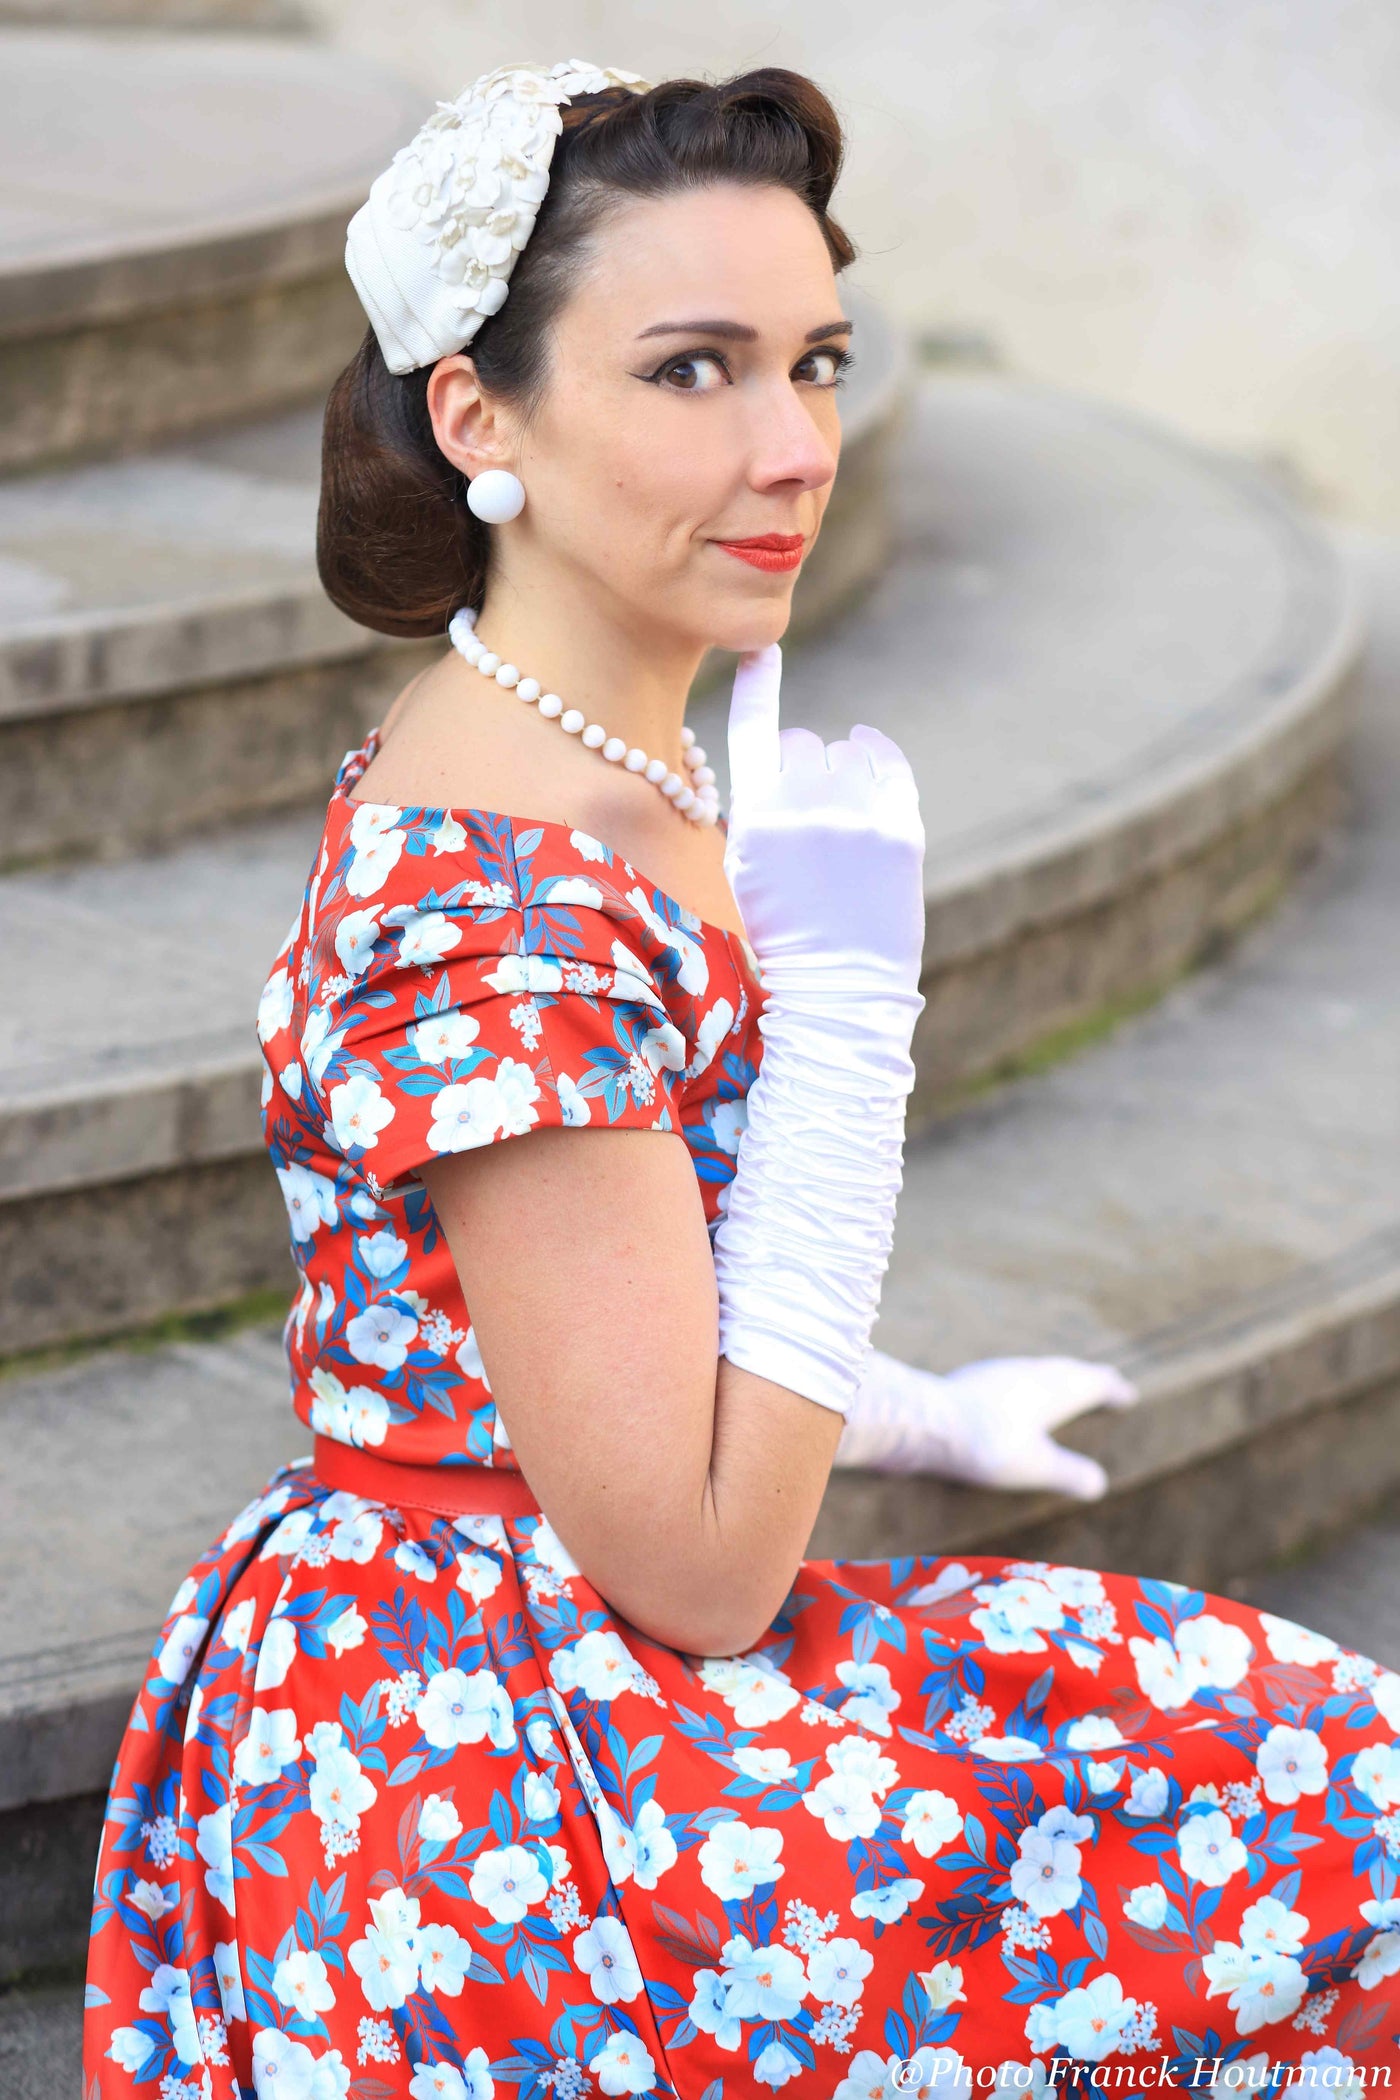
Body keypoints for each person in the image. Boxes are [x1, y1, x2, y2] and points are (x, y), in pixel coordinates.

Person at [84, 61, 1400, 2098]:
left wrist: (919, 1414)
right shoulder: (513, 891)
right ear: (477, 415)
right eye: (693, 371)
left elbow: (577, 1309)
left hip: (524, 1602)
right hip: (495, 1766)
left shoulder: (590, 750)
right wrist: (854, 1025)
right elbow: (700, 1568)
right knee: (1339, 1841)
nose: (795, 448)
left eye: (816, 361)